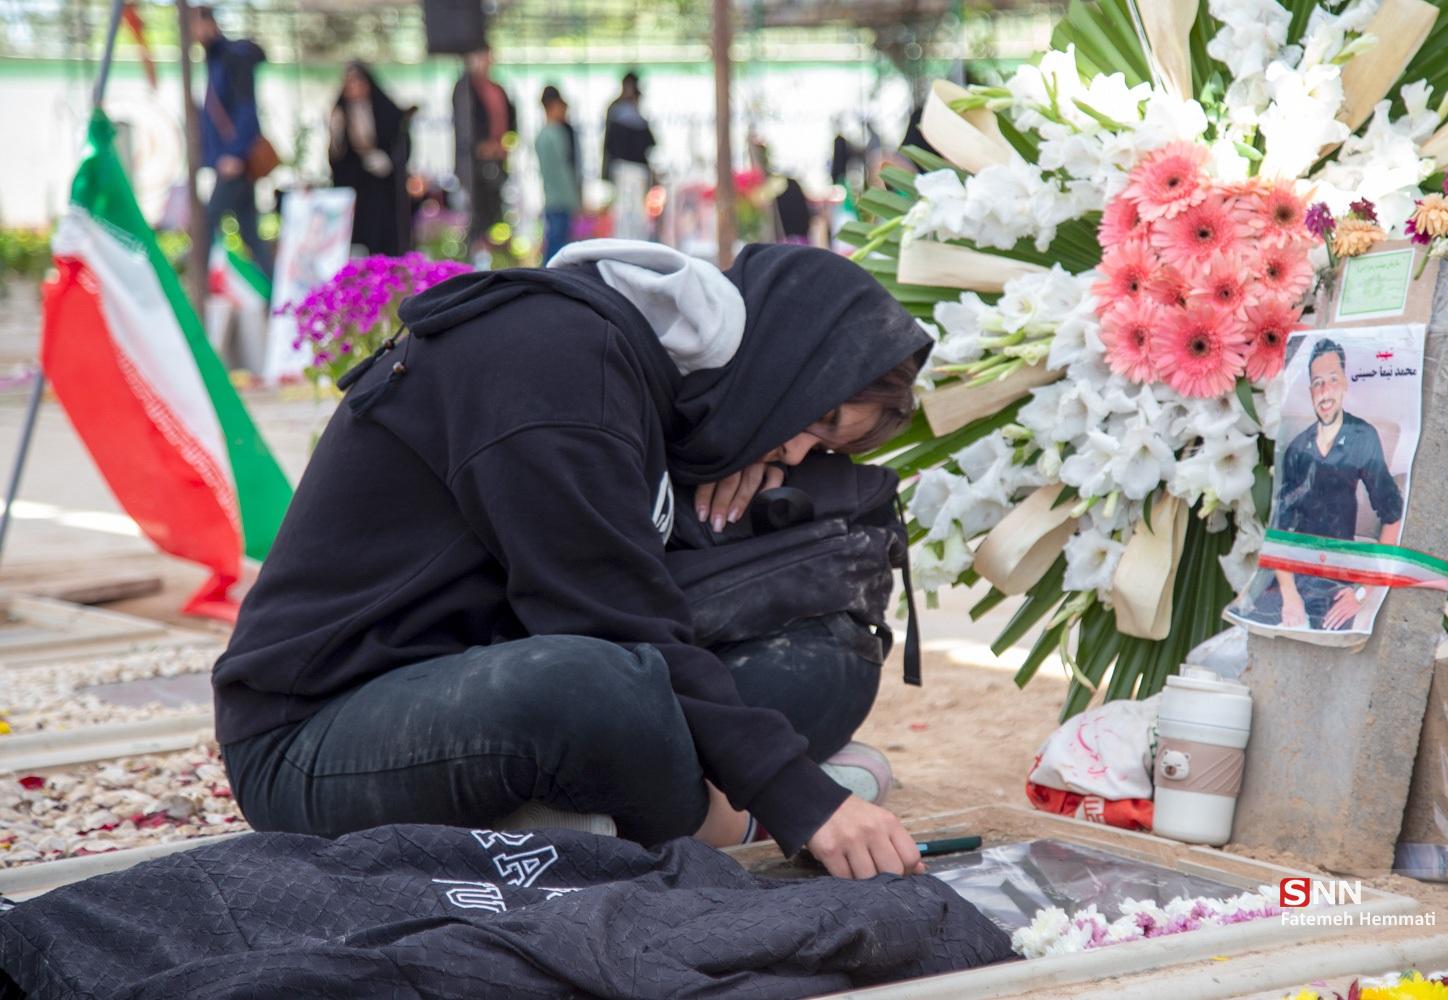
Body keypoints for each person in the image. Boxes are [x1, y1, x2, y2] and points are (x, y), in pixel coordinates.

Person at [214, 240, 932, 881]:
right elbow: (612, 620)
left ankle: (578, 818)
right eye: (816, 419)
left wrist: (756, 454)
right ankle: (725, 822)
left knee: (823, 657)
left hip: (476, 681)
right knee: (596, 687)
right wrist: (799, 796)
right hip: (313, 740)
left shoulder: (654, 370)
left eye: (820, 446)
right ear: (785, 358)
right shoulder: (552, 361)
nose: (796, 451)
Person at [1251, 337, 1405, 631]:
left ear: (1345, 383)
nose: (1324, 390)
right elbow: (1279, 530)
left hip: (1339, 578)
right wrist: (1290, 596)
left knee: (1334, 638)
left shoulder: (1363, 437)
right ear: (1310, 391)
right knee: (1258, 625)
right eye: (1317, 383)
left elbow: (1393, 516)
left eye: (1333, 379)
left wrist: (1363, 592)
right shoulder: (1297, 448)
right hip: (1294, 574)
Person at [191, 6, 273, 275]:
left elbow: (245, 109)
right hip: (227, 159)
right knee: (249, 232)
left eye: (195, 25)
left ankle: (198, 286)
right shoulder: (214, 59)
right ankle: (272, 289)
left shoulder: (232, 57)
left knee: (207, 222)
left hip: (234, 161)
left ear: (210, 25)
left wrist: (235, 154)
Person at [328, 62, 412, 257]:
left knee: (385, 232)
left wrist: (389, 161)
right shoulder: (340, 113)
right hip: (357, 184)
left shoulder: (385, 110)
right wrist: (337, 133)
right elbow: (336, 157)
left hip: (384, 186)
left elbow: (400, 140)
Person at [453, 45, 514, 256]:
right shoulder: (465, 90)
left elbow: (511, 123)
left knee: (497, 212)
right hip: (474, 165)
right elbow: (464, 127)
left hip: (497, 161)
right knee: (477, 213)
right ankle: (475, 254)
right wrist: (481, 147)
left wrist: (502, 145)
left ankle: (495, 254)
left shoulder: (497, 89)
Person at [602, 71, 655, 241]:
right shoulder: (621, 111)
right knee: (626, 215)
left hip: (630, 170)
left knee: (631, 216)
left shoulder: (624, 111)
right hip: (626, 170)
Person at [536, 85, 581, 263]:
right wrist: (575, 200)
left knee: (555, 244)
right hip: (560, 200)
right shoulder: (554, 134)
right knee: (557, 249)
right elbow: (563, 171)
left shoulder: (544, 134)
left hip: (554, 199)